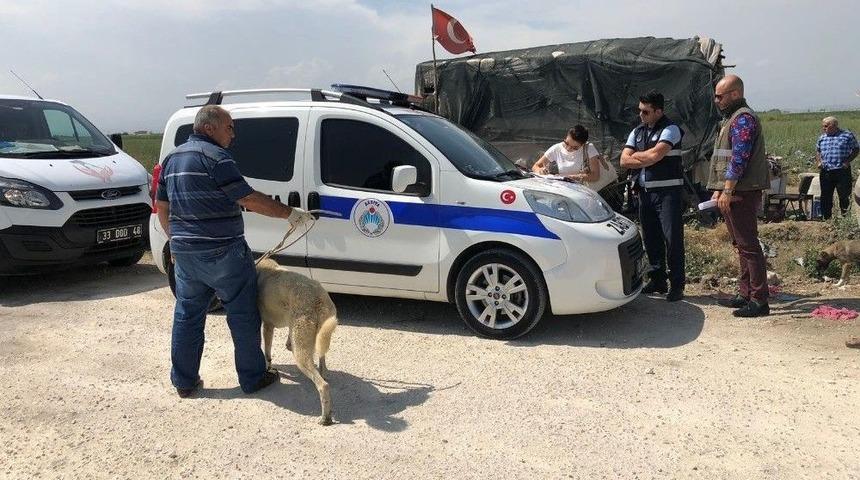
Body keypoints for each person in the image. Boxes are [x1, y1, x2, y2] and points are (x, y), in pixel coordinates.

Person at [155, 105, 314, 397]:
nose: (233, 134)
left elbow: (162, 207)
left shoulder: (171, 160)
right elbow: (248, 199)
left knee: (188, 315)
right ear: (209, 128)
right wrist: (289, 214)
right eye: (229, 127)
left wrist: (175, 240)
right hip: (224, 254)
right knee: (242, 314)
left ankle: (184, 381)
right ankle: (253, 378)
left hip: (186, 255)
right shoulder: (217, 158)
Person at [707, 75, 770, 318]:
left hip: (741, 192)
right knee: (741, 246)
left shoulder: (743, 119)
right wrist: (720, 187)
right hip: (734, 190)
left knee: (749, 246)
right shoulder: (731, 119)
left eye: (720, 96)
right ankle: (745, 294)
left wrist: (728, 189)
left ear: (735, 94)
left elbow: (739, 158)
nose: (716, 100)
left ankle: (759, 300)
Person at [620, 91, 685, 301]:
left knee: (672, 239)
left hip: (668, 194)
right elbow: (623, 160)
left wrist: (640, 157)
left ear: (658, 111)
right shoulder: (637, 132)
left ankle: (677, 284)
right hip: (645, 194)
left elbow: (656, 155)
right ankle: (657, 280)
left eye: (646, 112)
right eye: (639, 111)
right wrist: (645, 158)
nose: (641, 115)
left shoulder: (671, 129)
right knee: (651, 239)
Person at [816, 116, 859, 219]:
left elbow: (856, 149)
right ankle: (826, 219)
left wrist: (847, 161)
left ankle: (845, 219)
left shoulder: (847, 135)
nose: (824, 128)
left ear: (834, 126)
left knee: (844, 196)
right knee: (826, 196)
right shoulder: (822, 137)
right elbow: (818, 150)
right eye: (823, 126)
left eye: (826, 126)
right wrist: (819, 161)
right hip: (826, 171)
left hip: (842, 171)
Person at [532, 125, 601, 183]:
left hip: (582, 190)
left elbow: (595, 176)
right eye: (566, 143)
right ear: (566, 136)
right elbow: (536, 166)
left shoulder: (589, 148)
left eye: (575, 148)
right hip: (563, 188)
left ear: (583, 144)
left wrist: (571, 177)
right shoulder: (557, 148)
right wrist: (540, 171)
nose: (568, 148)